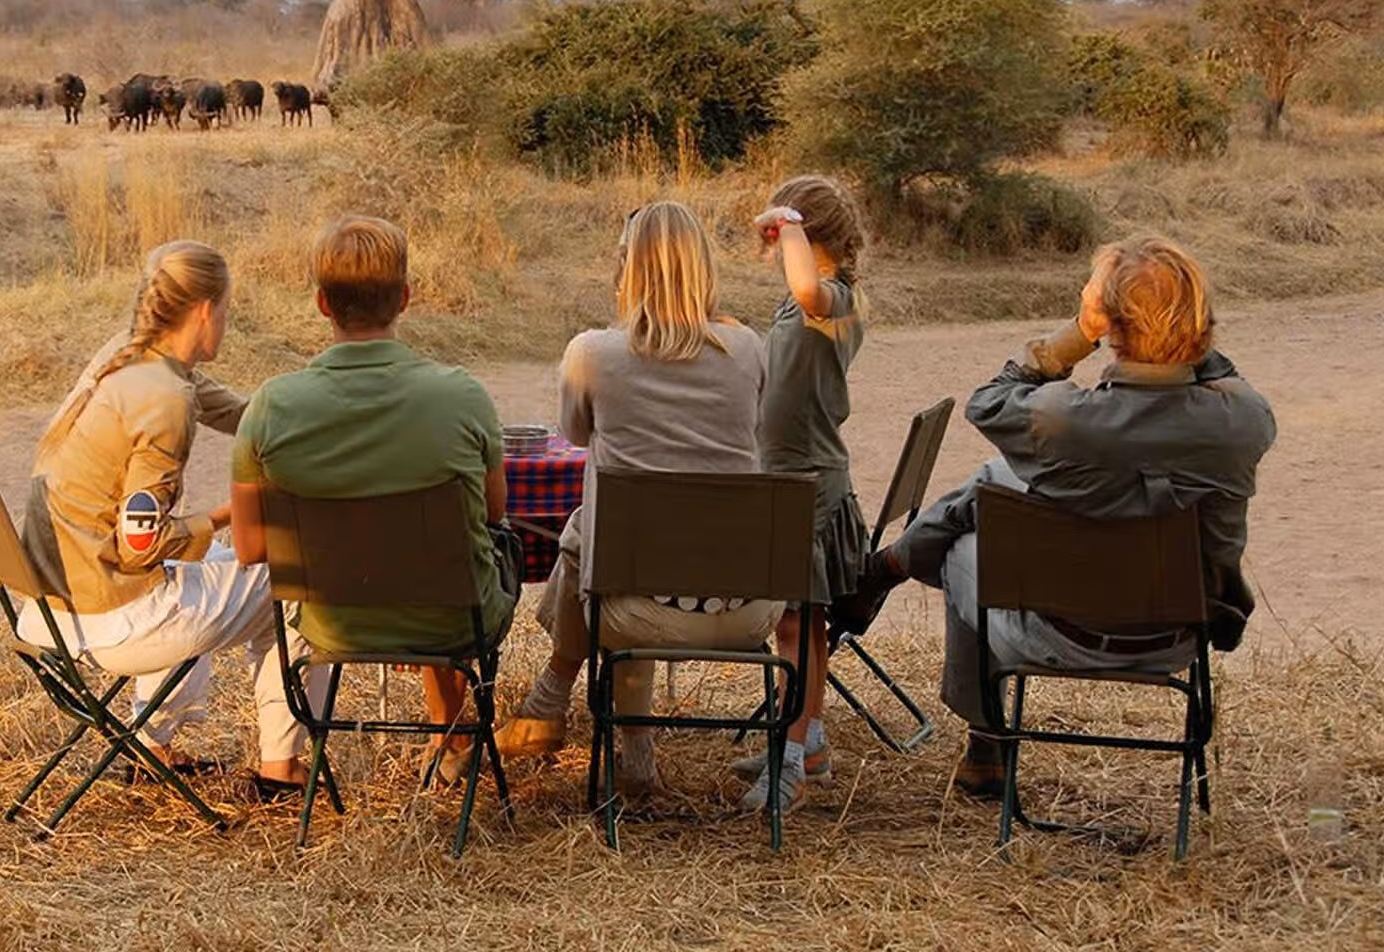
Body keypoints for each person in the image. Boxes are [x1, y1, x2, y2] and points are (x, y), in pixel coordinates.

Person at [836, 234, 1277, 795]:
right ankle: (889, 572)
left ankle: (985, 741)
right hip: (1176, 635)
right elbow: (1218, 376)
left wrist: (1079, 332)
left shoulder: (1064, 420)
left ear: (1111, 324)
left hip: (1055, 633)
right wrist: (1176, 328)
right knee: (996, 481)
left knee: (968, 535)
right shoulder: (1244, 420)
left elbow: (989, 400)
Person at [492, 202, 781, 794]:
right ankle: (608, 734)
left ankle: (569, 706)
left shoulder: (594, 352)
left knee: (594, 539)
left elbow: (574, 436)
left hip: (637, 610)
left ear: (627, 269)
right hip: (748, 608)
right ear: (704, 267)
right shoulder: (748, 347)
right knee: (598, 535)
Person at [20, 240, 318, 794]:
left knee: (205, 572)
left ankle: (152, 747)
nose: (227, 322)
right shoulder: (166, 401)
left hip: (53, 608)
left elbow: (238, 413)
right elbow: (141, 546)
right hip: (112, 616)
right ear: (205, 310)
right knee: (299, 582)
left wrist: (314, 420)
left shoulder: (134, 357)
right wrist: (230, 515)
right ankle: (282, 769)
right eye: (227, 310)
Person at [230, 216, 517, 785]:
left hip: (335, 626)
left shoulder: (269, 407)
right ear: (405, 298)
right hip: (450, 623)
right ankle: (457, 734)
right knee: (480, 553)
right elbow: (490, 513)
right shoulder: (461, 396)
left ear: (321, 304)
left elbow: (249, 546)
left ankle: (452, 733)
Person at [732, 175, 870, 813]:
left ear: (806, 236)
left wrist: (786, 224)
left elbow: (808, 286)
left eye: (788, 234)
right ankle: (805, 739)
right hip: (790, 479)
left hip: (807, 483)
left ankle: (792, 757)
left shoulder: (831, 297)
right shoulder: (803, 303)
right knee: (799, 622)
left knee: (795, 623)